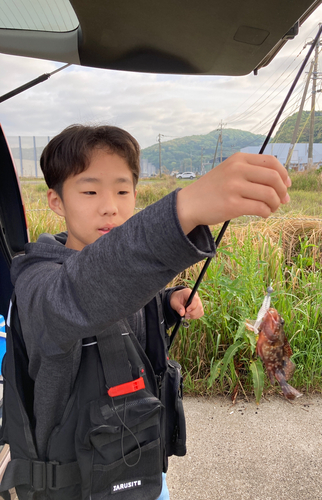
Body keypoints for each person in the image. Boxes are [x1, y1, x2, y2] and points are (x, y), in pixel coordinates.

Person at [7, 124, 290, 499]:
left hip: (143, 470)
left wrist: (169, 303)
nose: (110, 205)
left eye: (123, 191)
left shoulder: (128, 273)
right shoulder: (37, 283)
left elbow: (122, 303)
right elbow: (79, 295)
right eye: (90, 190)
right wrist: (183, 210)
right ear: (56, 201)